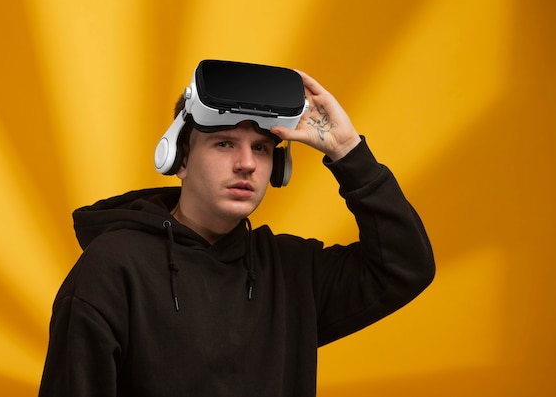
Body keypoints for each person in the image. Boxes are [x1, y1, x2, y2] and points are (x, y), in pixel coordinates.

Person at [38, 60, 435, 397]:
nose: (247, 163)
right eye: (225, 144)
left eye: (261, 148)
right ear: (179, 158)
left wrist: (347, 150)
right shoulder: (111, 268)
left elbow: (405, 266)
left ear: (277, 168)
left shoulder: (294, 273)